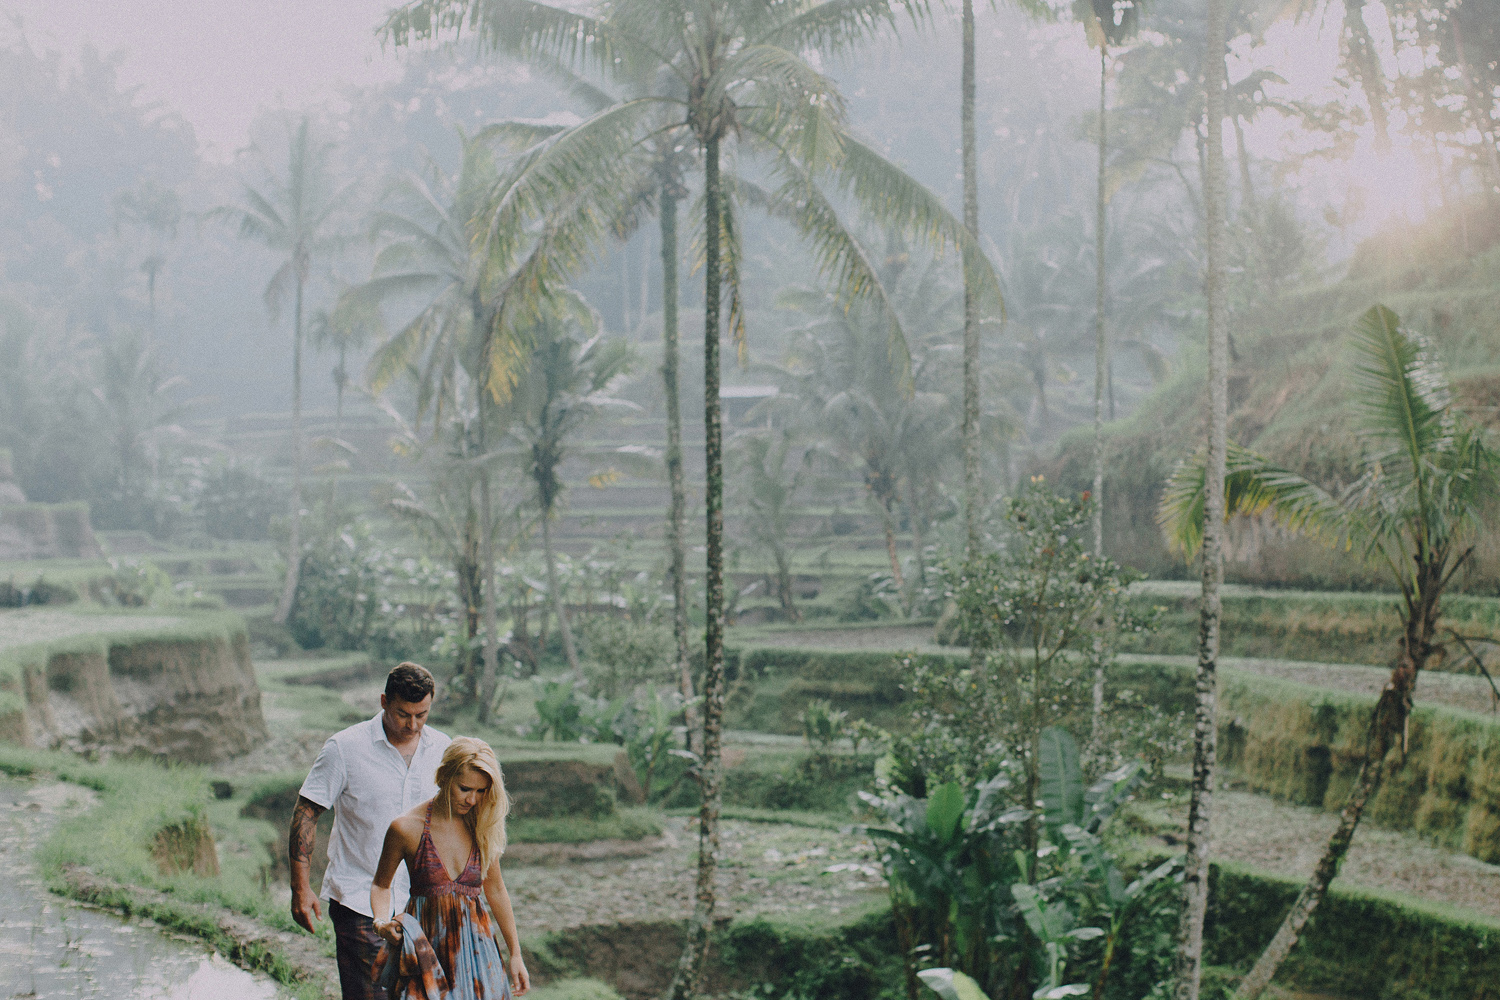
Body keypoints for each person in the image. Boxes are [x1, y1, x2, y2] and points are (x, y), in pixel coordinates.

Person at [291, 662, 451, 1000]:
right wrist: (300, 887)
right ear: (383, 701)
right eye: (403, 714)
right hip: (359, 900)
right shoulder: (345, 748)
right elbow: (307, 812)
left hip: (422, 903)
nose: (412, 725)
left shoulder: (442, 749)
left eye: (421, 715)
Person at [371, 737, 530, 999]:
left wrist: (515, 954)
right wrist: (380, 922)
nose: (472, 800)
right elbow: (381, 884)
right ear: (443, 776)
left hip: (478, 955)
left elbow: (496, 890)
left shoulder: (482, 827)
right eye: (465, 788)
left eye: (481, 791)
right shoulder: (406, 828)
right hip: (426, 954)